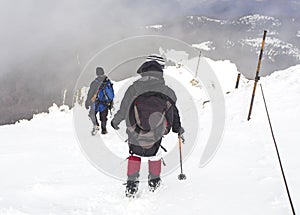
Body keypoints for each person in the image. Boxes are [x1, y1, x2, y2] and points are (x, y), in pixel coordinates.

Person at [111, 55, 184, 197]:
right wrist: (177, 128)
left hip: (134, 130)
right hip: (156, 131)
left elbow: (124, 108)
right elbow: (173, 111)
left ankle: (132, 185)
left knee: (134, 154)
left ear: (143, 72)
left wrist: (116, 121)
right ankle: (154, 181)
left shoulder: (133, 89)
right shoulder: (167, 91)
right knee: (155, 154)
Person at [85, 67, 114, 135]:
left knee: (92, 114)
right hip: (106, 103)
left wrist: (87, 102)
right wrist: (111, 103)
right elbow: (111, 93)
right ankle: (104, 129)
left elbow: (90, 93)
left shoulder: (95, 82)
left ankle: (96, 125)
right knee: (103, 117)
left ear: (97, 73)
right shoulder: (108, 82)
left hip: (96, 103)